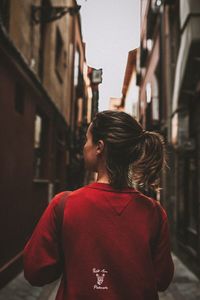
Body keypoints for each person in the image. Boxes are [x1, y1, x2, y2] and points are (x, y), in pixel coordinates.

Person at [23, 110, 174, 300]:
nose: (84, 146)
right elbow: (162, 279)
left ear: (100, 147)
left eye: (87, 140)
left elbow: (34, 270)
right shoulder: (154, 213)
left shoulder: (64, 205)